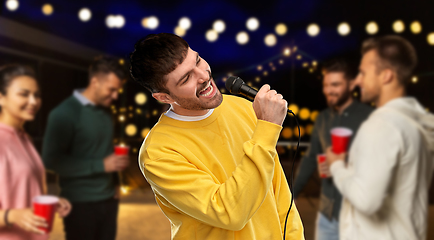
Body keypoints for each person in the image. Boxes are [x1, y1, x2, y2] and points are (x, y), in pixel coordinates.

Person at [129, 33, 304, 240]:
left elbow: (279, 193)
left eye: (198, 61)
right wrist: (267, 130)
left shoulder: (246, 108)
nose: (203, 76)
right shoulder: (158, 153)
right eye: (186, 78)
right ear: (164, 97)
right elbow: (230, 213)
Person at [326, 35, 434, 240]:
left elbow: (366, 200)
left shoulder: (381, 126)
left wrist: (337, 166)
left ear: (386, 76)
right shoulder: (415, 123)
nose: (357, 80)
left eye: (364, 73)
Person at [42, 56, 129, 240]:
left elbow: (104, 150)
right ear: (95, 81)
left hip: (108, 199)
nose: (115, 96)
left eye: (117, 91)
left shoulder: (106, 112)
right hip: (79, 203)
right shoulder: (64, 113)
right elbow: (51, 160)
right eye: (112, 90)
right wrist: (100, 165)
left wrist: (115, 182)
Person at [293, 58, 373, 240]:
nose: (329, 90)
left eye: (335, 84)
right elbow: (311, 157)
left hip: (360, 217)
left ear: (352, 85)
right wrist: (292, 193)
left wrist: (341, 165)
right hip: (327, 216)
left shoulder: (369, 117)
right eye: (326, 85)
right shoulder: (322, 119)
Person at [0, 65, 71, 240]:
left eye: (36, 95)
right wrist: (11, 215)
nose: (33, 101)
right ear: (1, 97)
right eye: (24, 94)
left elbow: (24, 189)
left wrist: (51, 203)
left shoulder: (25, 138)